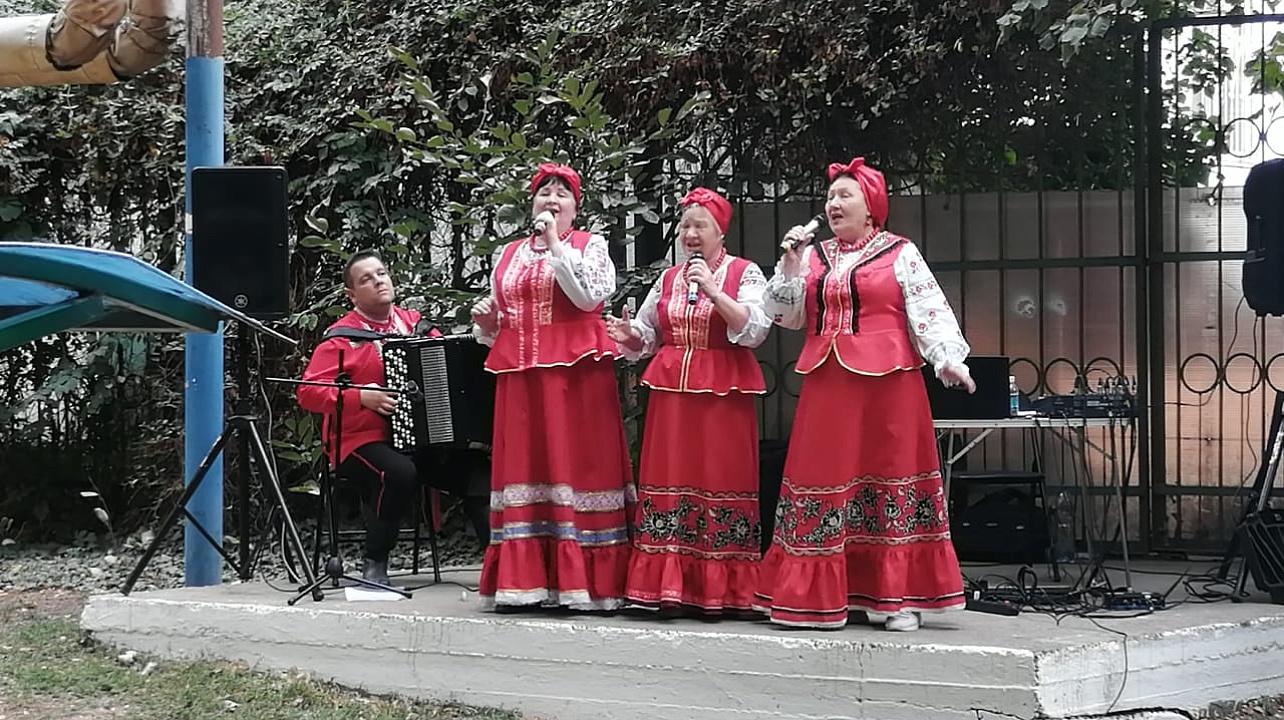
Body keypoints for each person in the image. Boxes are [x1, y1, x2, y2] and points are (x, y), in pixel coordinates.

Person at [753, 157, 977, 632]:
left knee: (889, 475)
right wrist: (790, 266)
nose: (833, 204)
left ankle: (896, 598)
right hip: (828, 384)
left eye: (845, 195)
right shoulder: (813, 256)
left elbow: (928, 309)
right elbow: (784, 316)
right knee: (823, 477)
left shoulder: (900, 252)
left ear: (871, 206)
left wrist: (947, 358)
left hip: (888, 386)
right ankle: (819, 595)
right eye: (830, 197)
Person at [470, 163, 634, 612]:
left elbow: (588, 297)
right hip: (522, 377)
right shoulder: (509, 253)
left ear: (575, 209)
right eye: (545, 194)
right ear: (532, 204)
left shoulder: (590, 246)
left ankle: (585, 581)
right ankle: (525, 582)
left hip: (575, 377)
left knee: (578, 464)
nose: (552, 201)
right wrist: (488, 322)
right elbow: (501, 322)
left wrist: (557, 244)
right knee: (526, 467)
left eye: (562, 195)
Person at [605, 187, 771, 616]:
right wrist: (629, 336)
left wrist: (715, 291)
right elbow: (647, 333)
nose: (690, 234)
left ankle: (725, 589)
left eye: (700, 226)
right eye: (685, 226)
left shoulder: (746, 272)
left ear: (721, 231)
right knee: (670, 478)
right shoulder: (669, 278)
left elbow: (755, 328)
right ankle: (667, 587)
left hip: (723, 394)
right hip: (673, 396)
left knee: (720, 477)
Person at [296, 250, 489, 586]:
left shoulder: (418, 327)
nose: (378, 281)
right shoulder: (342, 338)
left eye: (381, 274)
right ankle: (375, 561)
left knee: (480, 472)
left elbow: (448, 370)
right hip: (360, 442)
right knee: (398, 472)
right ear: (352, 295)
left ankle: (499, 564)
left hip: (423, 441)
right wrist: (360, 397)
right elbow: (308, 393)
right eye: (366, 279)